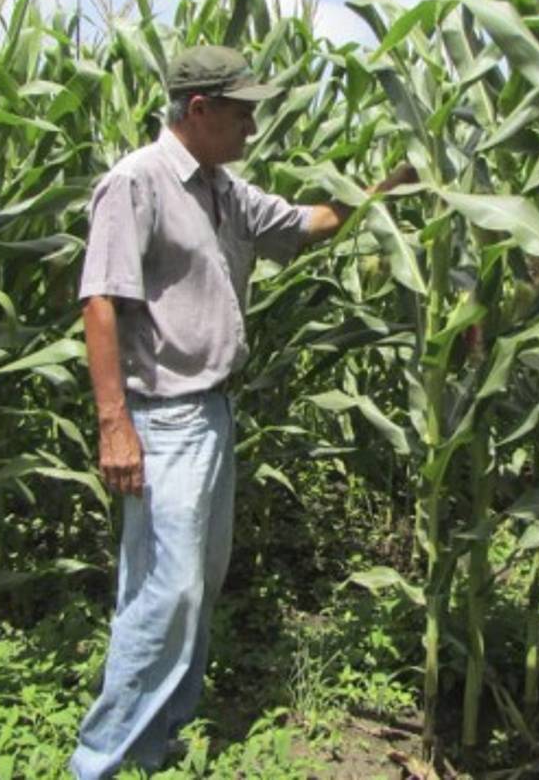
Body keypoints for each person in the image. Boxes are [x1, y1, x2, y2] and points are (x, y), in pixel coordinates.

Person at [69, 45, 415, 779]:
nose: (253, 126)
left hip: (214, 416)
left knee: (196, 588)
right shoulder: (137, 183)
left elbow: (312, 222)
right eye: (242, 113)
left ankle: (157, 746)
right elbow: (100, 303)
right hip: (162, 420)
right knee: (166, 594)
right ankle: (97, 764)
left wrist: (390, 187)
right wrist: (114, 426)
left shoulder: (223, 189)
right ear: (199, 110)